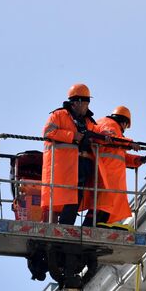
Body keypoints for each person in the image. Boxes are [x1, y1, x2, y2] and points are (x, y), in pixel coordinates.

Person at [41, 83, 99, 225]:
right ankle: (64, 225)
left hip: (82, 165)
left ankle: (67, 225)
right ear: (77, 102)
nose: (87, 106)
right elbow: (48, 133)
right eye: (86, 102)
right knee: (64, 196)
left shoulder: (89, 122)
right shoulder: (59, 115)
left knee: (76, 196)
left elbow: (97, 136)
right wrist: (72, 136)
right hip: (64, 166)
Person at [83, 106, 144, 226]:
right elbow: (110, 136)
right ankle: (89, 228)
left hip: (110, 175)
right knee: (102, 206)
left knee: (104, 207)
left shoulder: (113, 129)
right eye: (126, 126)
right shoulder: (109, 124)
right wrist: (129, 142)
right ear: (124, 122)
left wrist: (135, 160)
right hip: (106, 174)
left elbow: (119, 155)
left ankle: (93, 227)